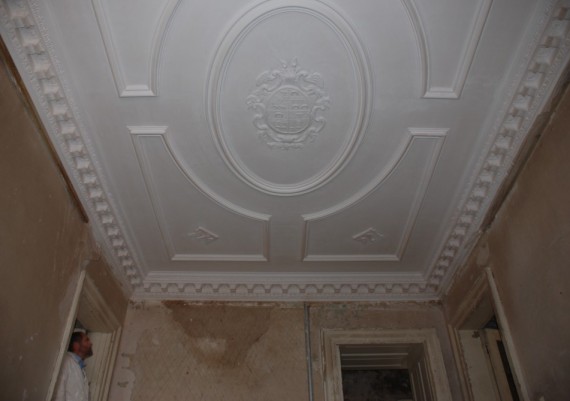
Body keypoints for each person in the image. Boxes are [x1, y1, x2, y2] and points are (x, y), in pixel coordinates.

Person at [53, 329, 93, 401]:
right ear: (76, 345)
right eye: (87, 340)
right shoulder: (66, 362)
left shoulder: (81, 368)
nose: (91, 343)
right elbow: (58, 392)